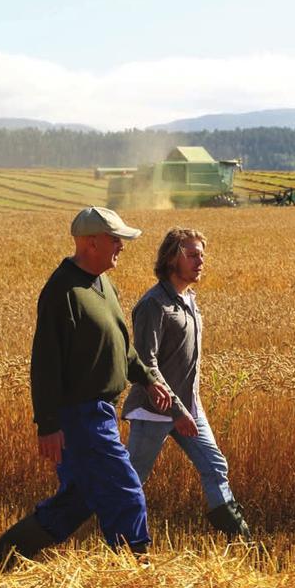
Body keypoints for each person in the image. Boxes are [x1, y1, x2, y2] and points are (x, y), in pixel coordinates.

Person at [0, 207, 181, 570]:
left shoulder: (104, 285)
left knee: (76, 502)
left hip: (100, 413)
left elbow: (121, 345)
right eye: (115, 239)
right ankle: (139, 573)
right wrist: (49, 424)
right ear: (90, 242)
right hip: (79, 416)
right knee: (125, 491)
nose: (121, 246)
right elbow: (46, 363)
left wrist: (146, 378)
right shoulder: (62, 291)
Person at [121, 227, 252, 541]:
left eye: (202, 255)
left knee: (215, 464)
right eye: (192, 255)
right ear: (171, 259)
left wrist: (187, 407)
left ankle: (240, 537)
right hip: (155, 410)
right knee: (132, 478)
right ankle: (117, 536)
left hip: (189, 408)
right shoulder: (154, 304)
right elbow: (145, 362)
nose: (200, 261)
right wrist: (176, 410)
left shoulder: (188, 300)